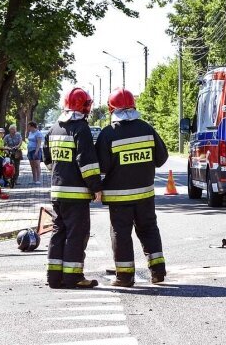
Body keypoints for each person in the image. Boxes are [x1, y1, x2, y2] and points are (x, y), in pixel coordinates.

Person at [95, 89, 169, 287]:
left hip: (119, 198)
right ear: (134, 107)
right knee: (149, 230)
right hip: (145, 194)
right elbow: (161, 159)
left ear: (112, 109)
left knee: (121, 234)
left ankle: (125, 277)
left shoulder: (108, 133)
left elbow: (101, 167)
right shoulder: (147, 128)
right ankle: (158, 272)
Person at [43, 88, 103, 289]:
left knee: (58, 232)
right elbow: (86, 163)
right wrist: (96, 187)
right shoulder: (81, 129)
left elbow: (47, 159)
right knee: (76, 235)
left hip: (57, 192)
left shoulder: (54, 128)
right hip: (76, 194)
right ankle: (73, 277)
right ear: (84, 106)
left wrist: (60, 172)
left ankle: (54, 277)